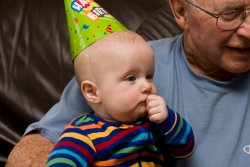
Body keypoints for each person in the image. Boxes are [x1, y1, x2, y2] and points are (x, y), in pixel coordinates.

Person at [6, 0, 250, 166]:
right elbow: (29, 153)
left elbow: (184, 144)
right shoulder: (120, 65)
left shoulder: (155, 107)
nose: (248, 31)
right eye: (229, 14)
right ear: (180, 10)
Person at [46, 30, 195, 166]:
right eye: (131, 78)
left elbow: (185, 150)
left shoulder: (154, 123)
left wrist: (168, 119)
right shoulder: (83, 133)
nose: (147, 86)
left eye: (149, 76)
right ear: (93, 92)